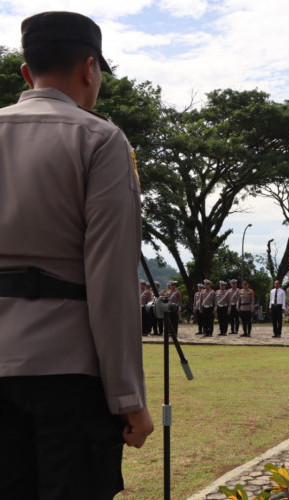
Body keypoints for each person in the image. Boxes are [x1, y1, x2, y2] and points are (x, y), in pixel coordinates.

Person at [0, 11, 153, 499]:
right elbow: (110, 282)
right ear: (90, 68)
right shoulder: (99, 139)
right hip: (68, 374)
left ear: (27, 73)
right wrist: (129, 399)